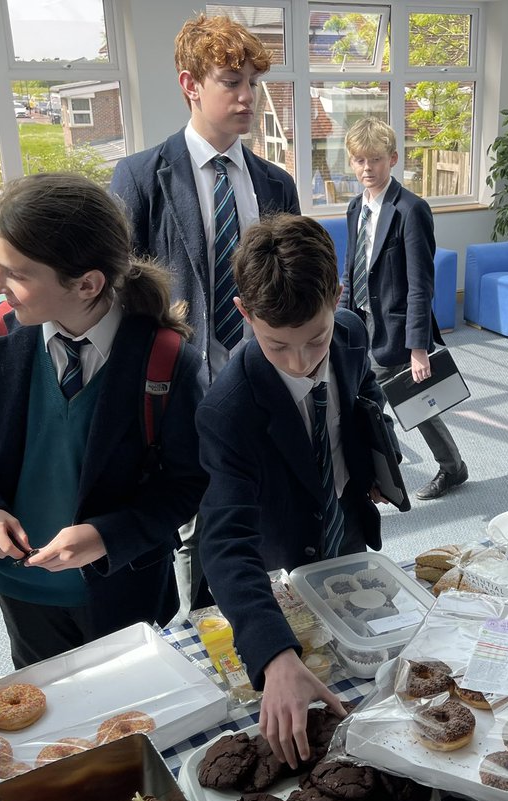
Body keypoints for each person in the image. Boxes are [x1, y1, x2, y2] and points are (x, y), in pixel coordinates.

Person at [0, 173, 208, 668]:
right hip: (22, 591)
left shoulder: (168, 360)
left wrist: (108, 535)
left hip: (122, 593)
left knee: (132, 723)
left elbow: (186, 483)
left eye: (16, 273)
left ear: (87, 283)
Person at [110, 13, 300, 611]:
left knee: (253, 514)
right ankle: (198, 634)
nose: (247, 97)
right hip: (178, 387)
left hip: (258, 379)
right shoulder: (141, 176)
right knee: (188, 524)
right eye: (230, 82)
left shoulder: (276, 184)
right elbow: (120, 293)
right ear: (190, 84)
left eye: (253, 83)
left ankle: (256, 625)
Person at [198, 214, 394, 765]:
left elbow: (365, 390)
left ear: (336, 297)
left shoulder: (351, 332)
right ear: (244, 313)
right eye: (277, 346)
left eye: (316, 340)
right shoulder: (227, 410)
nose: (303, 363)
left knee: (362, 653)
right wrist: (274, 654)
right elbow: (223, 542)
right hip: (277, 554)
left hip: (345, 522)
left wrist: (376, 461)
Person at [339, 118, 468, 500]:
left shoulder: (411, 210)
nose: (367, 168)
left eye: (375, 160)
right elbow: (352, 265)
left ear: (393, 159)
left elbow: (420, 284)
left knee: (406, 403)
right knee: (385, 402)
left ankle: (447, 468)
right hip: (360, 323)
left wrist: (418, 348)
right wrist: (342, 323)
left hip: (395, 329)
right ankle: (427, 468)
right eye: (359, 160)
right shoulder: (354, 208)